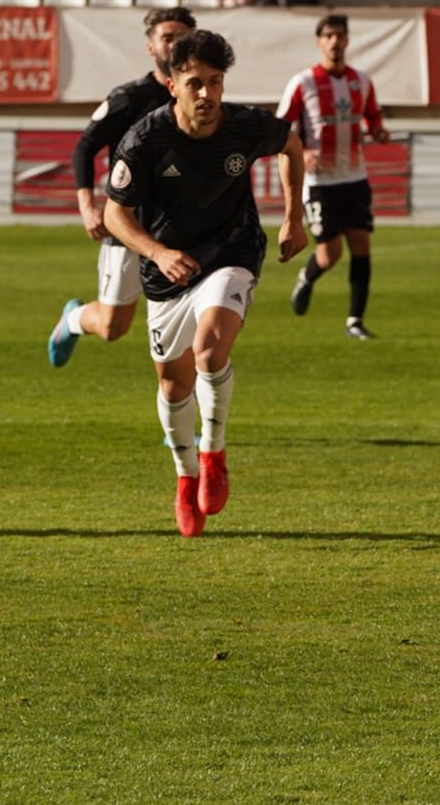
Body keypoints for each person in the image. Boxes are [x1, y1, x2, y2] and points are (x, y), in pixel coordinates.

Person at [104, 29, 309, 537]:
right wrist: (158, 252)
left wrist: (293, 216)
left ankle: (213, 454)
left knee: (210, 350)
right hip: (166, 269)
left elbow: (291, 145)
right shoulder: (145, 140)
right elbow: (115, 215)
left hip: (231, 253)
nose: (206, 94)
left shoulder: (243, 125)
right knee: (174, 385)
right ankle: (184, 476)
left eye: (214, 82)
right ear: (172, 85)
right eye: (194, 83)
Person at [50, 8, 198, 369]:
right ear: (151, 47)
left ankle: (181, 425)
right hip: (128, 222)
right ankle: (72, 320)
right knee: (112, 326)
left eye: (183, 37)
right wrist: (88, 205)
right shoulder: (130, 97)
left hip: (180, 227)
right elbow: (85, 147)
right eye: (167, 37)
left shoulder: (200, 96)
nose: (175, 44)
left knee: (187, 330)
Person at [275, 14, 389, 340]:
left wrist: (379, 132)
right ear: (319, 41)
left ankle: (355, 321)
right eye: (328, 35)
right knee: (330, 254)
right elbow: (282, 128)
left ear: (347, 40)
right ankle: (307, 278)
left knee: (362, 247)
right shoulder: (303, 83)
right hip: (321, 183)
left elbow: (373, 120)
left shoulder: (362, 81)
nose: (335, 41)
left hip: (355, 177)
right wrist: (303, 152)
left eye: (340, 35)